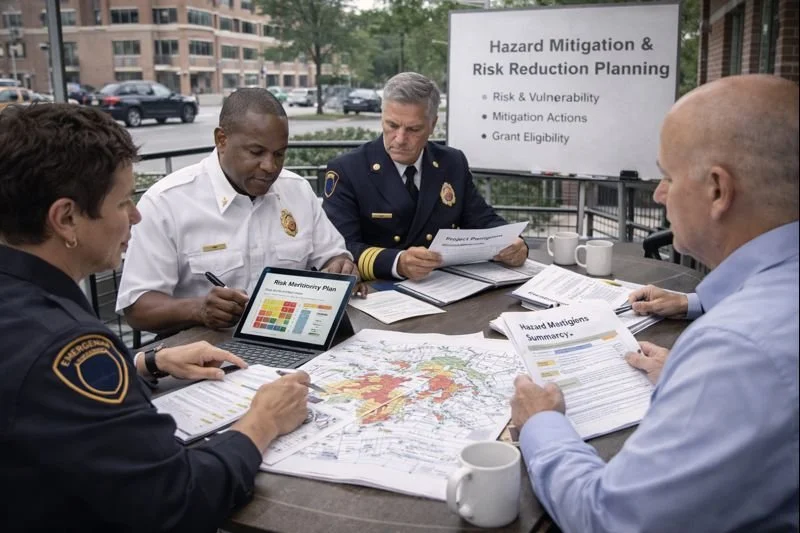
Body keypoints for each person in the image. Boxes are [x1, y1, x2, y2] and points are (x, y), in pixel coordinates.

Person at [0, 104, 312, 532]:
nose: (136, 215)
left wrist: (145, 363)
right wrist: (263, 421)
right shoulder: (66, 344)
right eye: (123, 201)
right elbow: (176, 500)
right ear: (66, 218)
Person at [511, 74, 798, 532]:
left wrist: (541, 424)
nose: (660, 195)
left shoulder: (739, 352)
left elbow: (610, 520)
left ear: (718, 191)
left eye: (667, 176)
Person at [116, 88, 361, 335]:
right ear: (222, 140)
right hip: (203, 354)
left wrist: (340, 266)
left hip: (295, 342)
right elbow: (137, 308)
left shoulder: (297, 191)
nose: (270, 166)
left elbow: (333, 256)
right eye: (256, 152)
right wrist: (197, 309)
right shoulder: (166, 203)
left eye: (279, 154)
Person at [322, 72, 528, 281]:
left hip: (445, 287)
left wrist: (514, 243)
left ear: (432, 124)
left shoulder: (452, 162)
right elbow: (341, 248)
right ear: (382, 117)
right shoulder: (348, 169)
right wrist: (398, 262)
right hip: (379, 290)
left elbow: (482, 219)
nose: (400, 139)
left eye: (413, 129)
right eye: (392, 125)